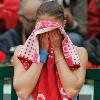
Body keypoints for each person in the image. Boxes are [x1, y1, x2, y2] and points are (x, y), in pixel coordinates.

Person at [13, 1, 88, 100]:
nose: (48, 33)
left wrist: (57, 52)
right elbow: (22, 93)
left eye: (53, 30)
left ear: (64, 24)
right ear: (37, 25)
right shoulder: (22, 52)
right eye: (43, 29)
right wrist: (42, 54)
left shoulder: (79, 53)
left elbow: (71, 91)